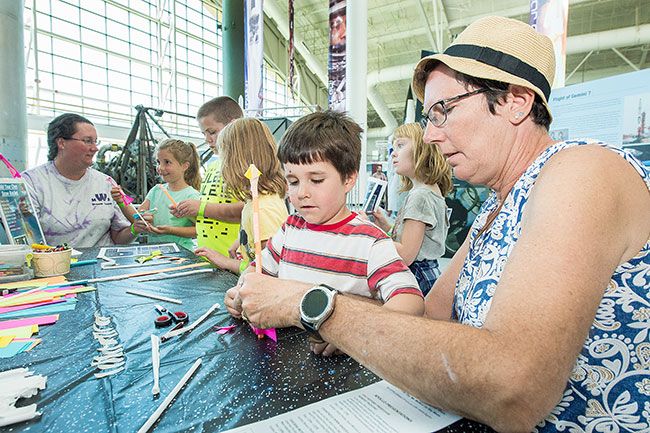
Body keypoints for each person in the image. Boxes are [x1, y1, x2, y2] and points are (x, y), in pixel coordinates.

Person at [233, 16, 650, 431]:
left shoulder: (582, 170)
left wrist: (316, 307)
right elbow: (428, 315)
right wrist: (354, 326)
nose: (430, 135)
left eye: (441, 112)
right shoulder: (496, 208)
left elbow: (515, 386)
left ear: (515, 102)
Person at [226, 110, 424, 356]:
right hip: (287, 362)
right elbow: (256, 271)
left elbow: (412, 302)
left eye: (316, 180)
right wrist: (241, 290)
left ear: (349, 179)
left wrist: (354, 329)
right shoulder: (290, 230)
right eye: (293, 181)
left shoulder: (369, 241)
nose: (301, 193)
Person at [22, 113, 133, 248]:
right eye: (87, 141)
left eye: (95, 141)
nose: (95, 148)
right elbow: (27, 240)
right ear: (61, 143)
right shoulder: (31, 183)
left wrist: (135, 229)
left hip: (103, 264)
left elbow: (118, 237)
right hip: (54, 264)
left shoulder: (105, 182)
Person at [194, 118, 288, 274]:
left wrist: (226, 262)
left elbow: (268, 272)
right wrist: (241, 241)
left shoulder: (263, 210)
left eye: (223, 155)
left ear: (235, 161)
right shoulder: (255, 202)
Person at [372, 123, 452, 296]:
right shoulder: (429, 191)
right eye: (393, 147)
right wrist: (386, 226)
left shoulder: (420, 197)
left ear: (423, 150)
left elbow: (407, 254)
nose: (393, 153)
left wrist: (368, 236)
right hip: (427, 273)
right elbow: (417, 241)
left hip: (416, 275)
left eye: (400, 145)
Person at [169, 96, 244, 257]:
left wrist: (201, 208)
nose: (207, 139)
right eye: (204, 133)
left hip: (233, 258)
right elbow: (211, 215)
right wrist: (190, 212)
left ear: (233, 125)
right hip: (210, 256)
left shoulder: (242, 165)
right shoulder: (213, 167)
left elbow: (248, 210)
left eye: (212, 132)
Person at [111, 139, 201, 250]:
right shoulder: (157, 190)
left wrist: (171, 230)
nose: (160, 168)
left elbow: (199, 230)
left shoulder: (192, 196)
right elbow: (136, 218)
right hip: (155, 253)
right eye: (158, 162)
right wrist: (122, 199)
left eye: (167, 162)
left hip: (181, 254)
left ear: (184, 166)